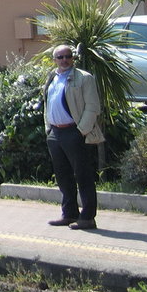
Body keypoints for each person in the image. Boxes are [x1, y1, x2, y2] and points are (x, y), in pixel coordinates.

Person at [43, 44, 104, 230]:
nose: (64, 60)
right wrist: (48, 129)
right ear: (55, 60)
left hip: (74, 132)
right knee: (63, 176)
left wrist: (81, 131)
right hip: (55, 133)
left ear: (73, 57)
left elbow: (93, 107)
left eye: (67, 56)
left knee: (83, 175)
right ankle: (69, 214)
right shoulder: (52, 78)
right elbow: (47, 103)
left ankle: (87, 217)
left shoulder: (84, 78)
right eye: (60, 57)